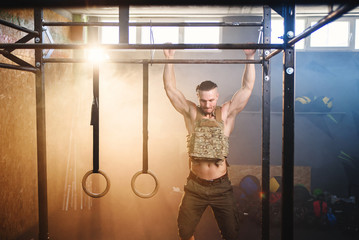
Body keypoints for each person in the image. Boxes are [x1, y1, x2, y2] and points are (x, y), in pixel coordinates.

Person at [163, 48, 256, 240]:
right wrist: (169, 58)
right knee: (185, 231)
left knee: (231, 233)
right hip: (195, 186)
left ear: (217, 96)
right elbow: (170, 90)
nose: (207, 105)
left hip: (221, 187)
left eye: (211, 100)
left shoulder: (227, 113)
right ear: (198, 98)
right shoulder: (191, 113)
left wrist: (250, 57)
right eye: (203, 100)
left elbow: (247, 88)